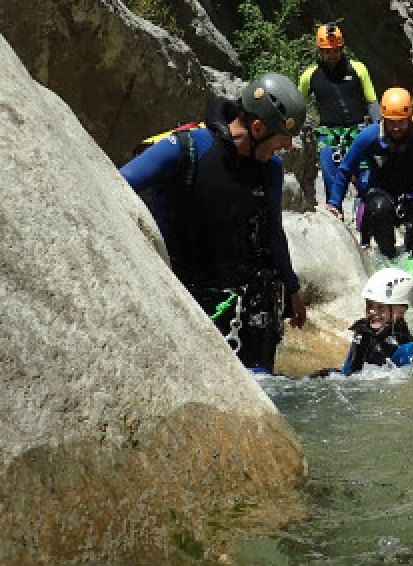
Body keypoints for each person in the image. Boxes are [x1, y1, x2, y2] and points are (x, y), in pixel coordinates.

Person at [120, 72, 308, 374]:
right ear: (258, 127)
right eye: (283, 137)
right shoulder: (185, 148)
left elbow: (273, 232)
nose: (286, 146)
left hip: (244, 298)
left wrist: (292, 289)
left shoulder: (270, 169)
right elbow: (117, 185)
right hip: (184, 292)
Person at [324, 87, 413, 258]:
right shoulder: (369, 137)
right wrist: (335, 203)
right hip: (381, 196)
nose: (396, 128)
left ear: (409, 118)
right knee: (378, 206)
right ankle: (388, 255)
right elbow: (345, 169)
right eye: (391, 122)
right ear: (383, 118)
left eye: (401, 122)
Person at [298, 23, 379, 203]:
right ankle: (336, 215)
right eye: (327, 51)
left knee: (366, 181)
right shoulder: (310, 75)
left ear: (341, 48)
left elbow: (372, 101)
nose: (331, 55)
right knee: (332, 183)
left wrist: (379, 128)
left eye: (335, 50)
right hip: (327, 133)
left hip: (358, 131)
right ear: (320, 51)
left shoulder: (358, 69)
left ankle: (367, 217)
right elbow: (298, 103)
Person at [342, 267, 413, 374]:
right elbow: (347, 369)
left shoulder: (404, 348)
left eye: (381, 307)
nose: (372, 311)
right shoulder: (362, 334)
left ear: (401, 311)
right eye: (369, 305)